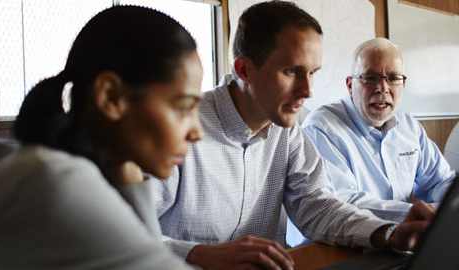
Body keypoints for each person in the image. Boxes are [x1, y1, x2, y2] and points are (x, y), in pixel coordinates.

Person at [151, 2, 435, 270]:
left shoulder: (287, 132)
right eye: (292, 72)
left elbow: (319, 208)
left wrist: (386, 234)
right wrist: (200, 255)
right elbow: (120, 237)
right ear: (244, 70)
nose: (307, 90)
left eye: (312, 73)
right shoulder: (181, 126)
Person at [0, 6, 204, 269]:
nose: (197, 132)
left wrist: (129, 179)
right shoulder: (57, 184)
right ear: (110, 97)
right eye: (184, 107)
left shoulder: (41, 166)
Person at [286, 37, 456, 247]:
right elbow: (343, 203)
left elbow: (440, 181)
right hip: (327, 250)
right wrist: (423, 215)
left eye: (393, 77)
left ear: (403, 84)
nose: (382, 88)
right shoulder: (322, 127)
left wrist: (453, 205)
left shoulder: (409, 127)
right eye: (370, 78)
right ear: (350, 85)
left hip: (391, 245)